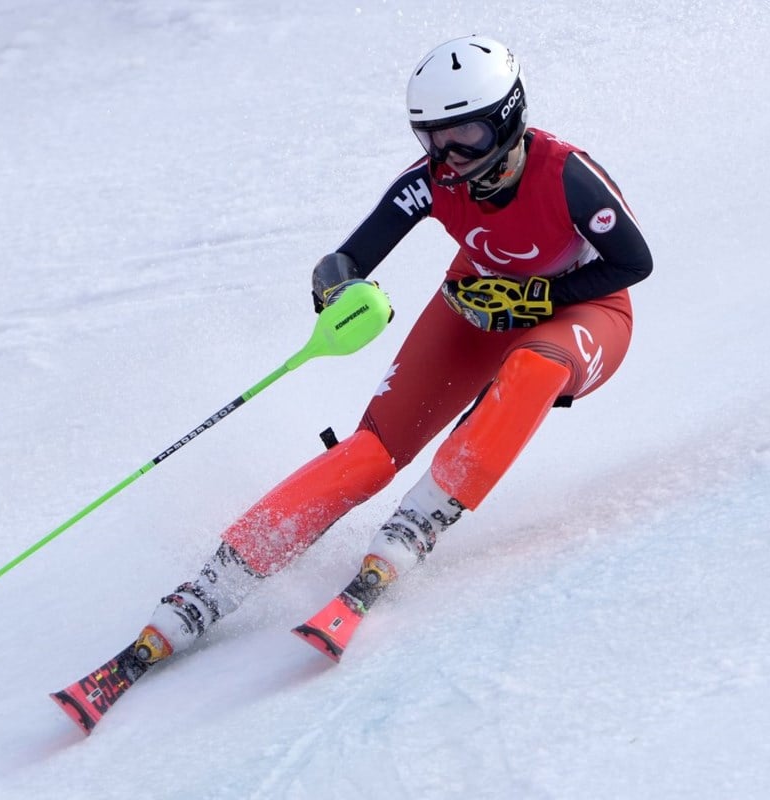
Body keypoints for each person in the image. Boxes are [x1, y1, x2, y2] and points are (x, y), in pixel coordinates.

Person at [133, 34, 653, 664]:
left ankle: (422, 519)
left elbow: (634, 261)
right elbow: (350, 255)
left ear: (507, 119)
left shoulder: (568, 176)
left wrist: (541, 297)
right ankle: (223, 573)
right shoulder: (432, 180)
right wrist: (335, 289)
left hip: (586, 311)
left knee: (532, 366)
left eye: (466, 135)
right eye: (432, 138)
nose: (449, 155)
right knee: (374, 450)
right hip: (479, 300)